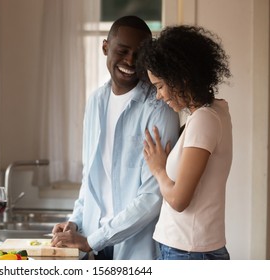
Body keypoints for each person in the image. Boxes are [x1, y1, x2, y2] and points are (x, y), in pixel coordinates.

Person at [50, 16, 180, 260]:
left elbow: (153, 196)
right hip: (92, 246)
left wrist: (92, 240)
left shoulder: (159, 108)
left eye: (139, 54)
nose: (130, 60)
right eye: (122, 51)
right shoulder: (96, 101)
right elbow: (90, 178)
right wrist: (75, 223)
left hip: (136, 251)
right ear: (105, 47)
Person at [139, 25, 232, 260]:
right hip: (188, 250)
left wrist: (159, 169)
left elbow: (179, 200)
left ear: (180, 77)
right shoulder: (212, 112)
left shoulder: (204, 119)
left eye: (160, 86)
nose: (158, 95)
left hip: (189, 252)